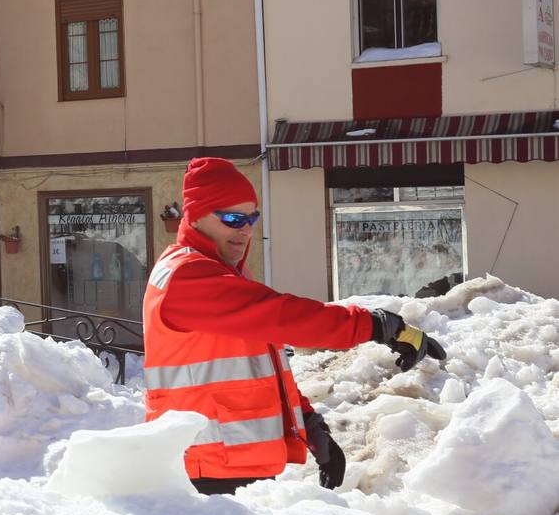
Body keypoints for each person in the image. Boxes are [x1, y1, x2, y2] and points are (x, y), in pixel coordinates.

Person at [143, 157, 446, 495]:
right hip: (203, 471)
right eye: (232, 218)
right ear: (196, 216)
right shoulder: (188, 277)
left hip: (230, 466)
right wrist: (374, 325)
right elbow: (288, 318)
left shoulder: (227, 278)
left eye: (252, 218)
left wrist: (308, 423)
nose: (245, 229)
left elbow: (261, 369)